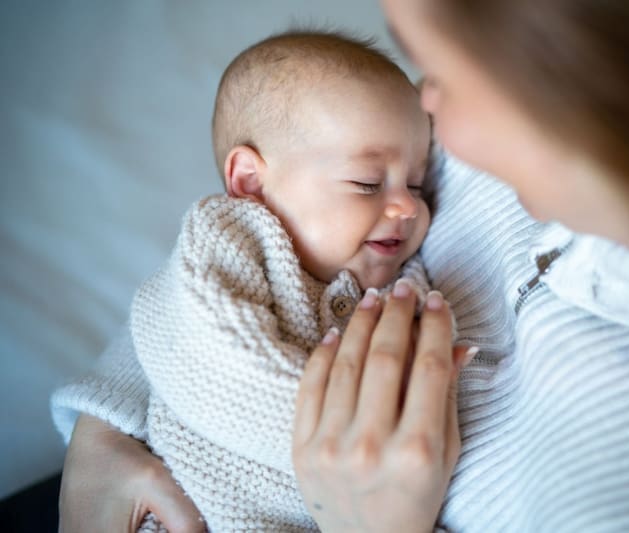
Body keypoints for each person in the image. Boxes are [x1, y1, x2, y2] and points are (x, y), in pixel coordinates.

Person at [54, 1, 629, 532]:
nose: (425, 102)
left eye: (438, 67)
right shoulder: (442, 153)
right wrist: (102, 431)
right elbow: (214, 284)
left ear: (571, 90)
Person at [52, 30, 471, 532]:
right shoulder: (230, 243)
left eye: (417, 185)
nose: (407, 206)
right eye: (366, 182)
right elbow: (206, 356)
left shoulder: (405, 281)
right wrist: (389, 417)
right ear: (251, 184)